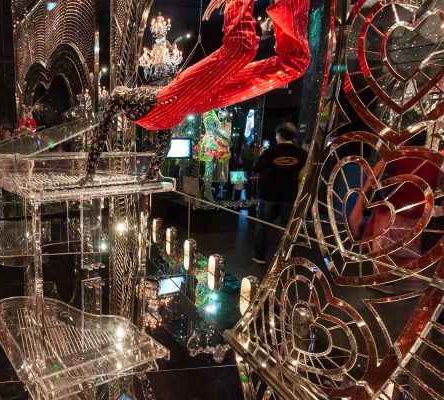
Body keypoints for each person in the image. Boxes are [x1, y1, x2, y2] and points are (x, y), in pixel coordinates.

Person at [80, 0, 310, 184]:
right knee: (294, 64)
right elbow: (162, 145)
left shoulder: (120, 95)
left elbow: (101, 135)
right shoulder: (154, 118)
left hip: (177, 95)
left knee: (241, 47)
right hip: (188, 104)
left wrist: (90, 174)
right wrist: (148, 175)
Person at [252, 122, 308, 264]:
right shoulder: (301, 153)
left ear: (279, 135)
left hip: (268, 194)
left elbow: (256, 168)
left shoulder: (270, 152)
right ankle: (288, 256)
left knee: (262, 226)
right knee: (289, 228)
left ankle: (260, 256)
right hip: (289, 195)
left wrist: (260, 155)